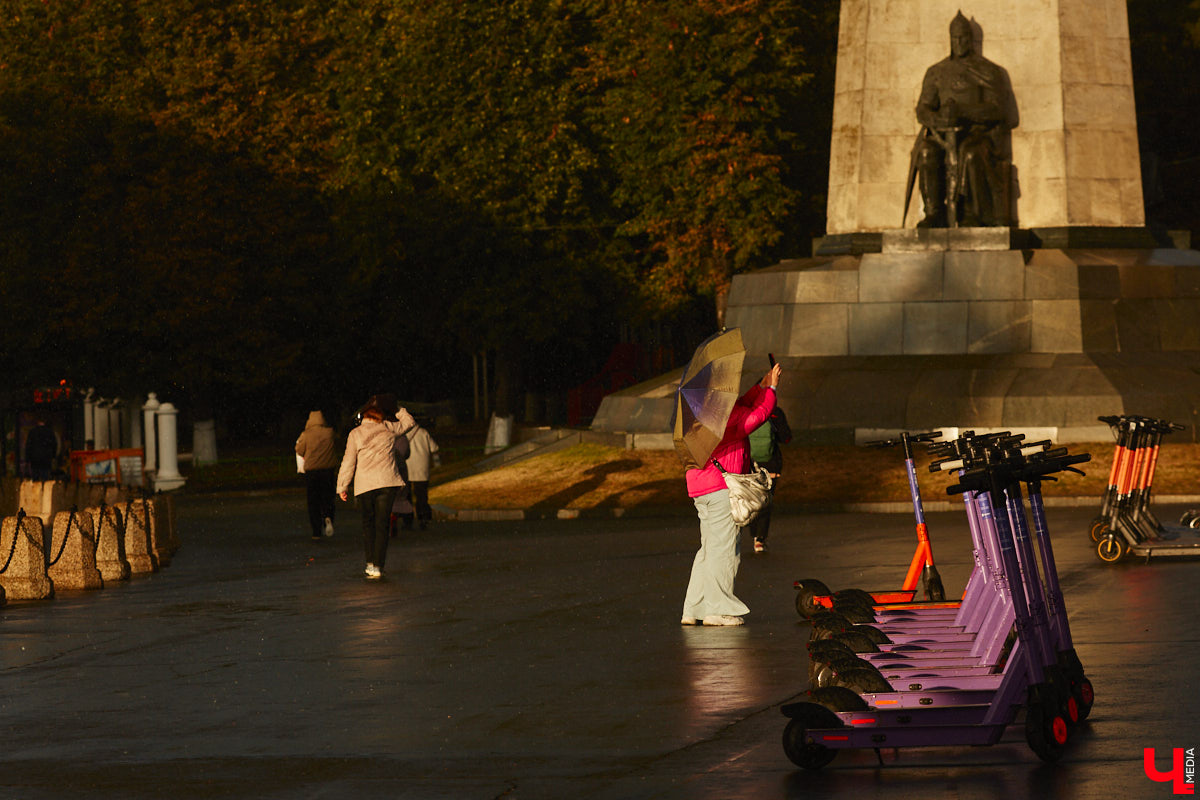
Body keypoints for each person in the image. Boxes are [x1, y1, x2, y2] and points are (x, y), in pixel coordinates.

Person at [681, 362, 782, 627]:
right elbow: (756, 417)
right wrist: (771, 389)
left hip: (701, 487)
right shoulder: (725, 416)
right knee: (725, 551)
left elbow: (743, 404)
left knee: (708, 550)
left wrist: (759, 386)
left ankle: (693, 608)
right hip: (720, 488)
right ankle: (718, 609)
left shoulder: (702, 411)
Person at [911, 11, 1010, 227]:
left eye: (963, 37)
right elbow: (922, 109)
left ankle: (973, 213)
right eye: (955, 37)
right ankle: (933, 213)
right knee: (927, 151)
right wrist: (939, 119)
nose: (959, 42)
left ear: (971, 38)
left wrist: (963, 112)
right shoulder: (936, 72)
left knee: (972, 153)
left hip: (977, 134)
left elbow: (998, 110)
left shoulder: (987, 70)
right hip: (943, 136)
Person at [337, 394, 416, 579]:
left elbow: (348, 461)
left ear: (364, 415)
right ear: (381, 415)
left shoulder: (355, 434)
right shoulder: (388, 428)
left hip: (365, 485)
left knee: (368, 524)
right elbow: (409, 422)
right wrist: (396, 408)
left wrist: (342, 486)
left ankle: (370, 562)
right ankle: (379, 565)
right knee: (382, 525)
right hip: (386, 482)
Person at [745, 405, 791, 553]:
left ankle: (754, 533)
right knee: (766, 500)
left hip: (751, 463)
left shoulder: (748, 412)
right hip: (771, 464)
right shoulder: (775, 412)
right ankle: (760, 538)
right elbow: (786, 437)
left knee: (753, 500)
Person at [295, 410, 339, 541]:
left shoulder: (306, 434)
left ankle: (316, 531)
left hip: (312, 472)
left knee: (313, 501)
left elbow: (299, 450)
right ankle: (328, 517)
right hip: (328, 470)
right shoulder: (330, 432)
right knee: (328, 497)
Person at [399, 423, 440, 531]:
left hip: (407, 469)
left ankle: (408, 520)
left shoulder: (403, 434)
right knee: (421, 496)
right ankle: (423, 518)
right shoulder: (423, 432)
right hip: (422, 469)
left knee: (406, 496)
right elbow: (434, 448)